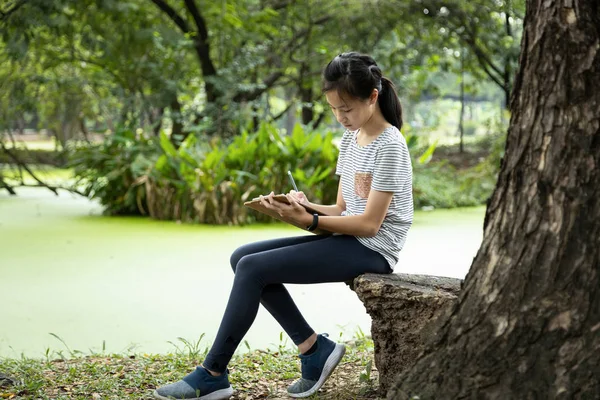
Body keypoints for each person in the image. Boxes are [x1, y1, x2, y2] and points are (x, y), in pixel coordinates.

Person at [153, 52, 413, 400]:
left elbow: (369, 224)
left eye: (347, 108)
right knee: (241, 257)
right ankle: (313, 350)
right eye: (334, 109)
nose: (340, 117)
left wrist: (309, 220)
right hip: (350, 239)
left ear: (373, 97)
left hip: (374, 249)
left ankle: (213, 372)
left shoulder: (391, 145)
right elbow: (340, 208)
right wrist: (300, 207)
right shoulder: (352, 141)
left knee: (253, 267)